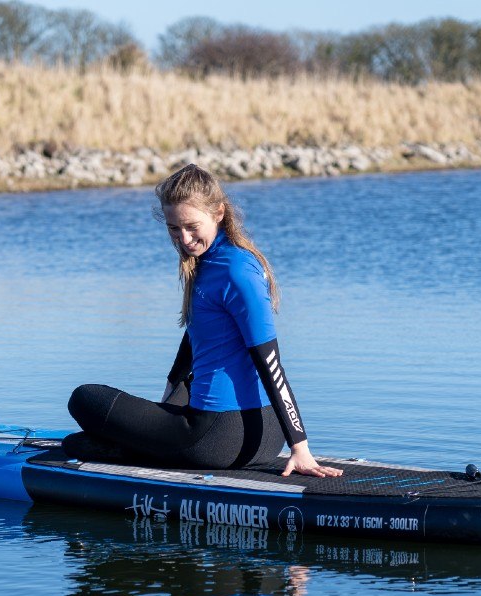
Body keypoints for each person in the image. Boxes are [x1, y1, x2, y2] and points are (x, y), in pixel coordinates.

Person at [63, 163, 342, 478]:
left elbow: (270, 363)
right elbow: (199, 334)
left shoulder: (236, 271)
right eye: (173, 228)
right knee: (87, 439)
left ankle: (151, 449)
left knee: (85, 400)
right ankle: (156, 443)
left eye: (191, 225)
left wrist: (301, 448)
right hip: (261, 437)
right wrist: (170, 391)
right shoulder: (213, 262)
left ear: (218, 213)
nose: (184, 238)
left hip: (219, 437)